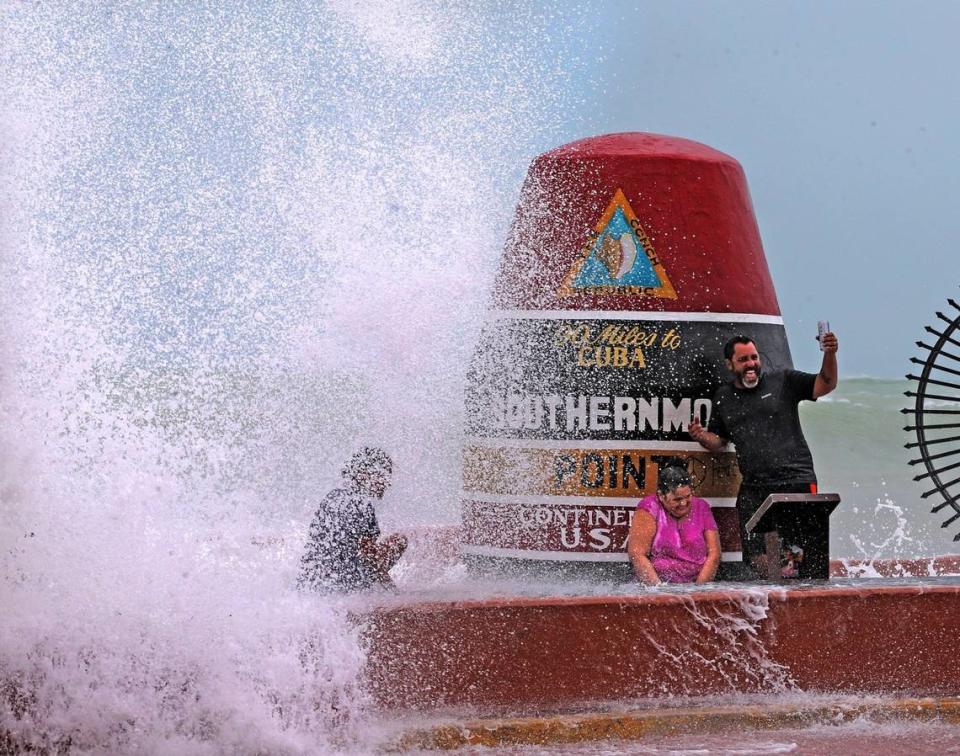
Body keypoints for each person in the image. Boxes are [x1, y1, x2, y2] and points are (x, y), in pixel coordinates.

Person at [688, 330, 839, 578]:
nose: (751, 364)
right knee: (757, 557)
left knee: (800, 553)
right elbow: (720, 441)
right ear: (729, 364)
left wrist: (830, 354)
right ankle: (770, 601)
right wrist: (701, 436)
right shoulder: (723, 397)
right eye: (743, 359)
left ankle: (805, 600)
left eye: (754, 357)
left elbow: (826, 384)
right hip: (754, 487)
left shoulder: (783, 381)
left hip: (795, 480)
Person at [298, 447, 408, 593]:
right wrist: (394, 592)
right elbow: (371, 560)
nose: (387, 483)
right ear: (363, 475)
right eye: (383, 475)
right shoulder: (361, 505)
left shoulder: (333, 497)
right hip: (343, 584)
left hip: (312, 578)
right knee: (399, 540)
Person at [627, 466, 721, 585]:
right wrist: (659, 591)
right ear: (661, 496)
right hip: (658, 586)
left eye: (688, 496)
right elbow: (637, 554)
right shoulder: (649, 506)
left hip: (696, 586)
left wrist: (698, 591)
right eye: (677, 500)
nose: (683, 503)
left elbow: (714, 554)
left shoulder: (702, 506)